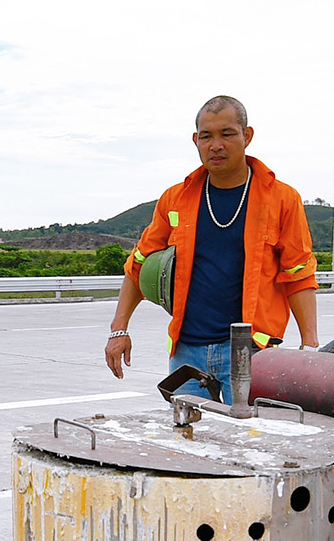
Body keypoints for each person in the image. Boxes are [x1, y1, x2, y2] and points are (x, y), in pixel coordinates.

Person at [104, 97, 320, 400]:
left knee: (249, 429)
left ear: (247, 136)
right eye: (206, 136)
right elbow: (138, 264)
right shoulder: (176, 199)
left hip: (250, 351)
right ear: (196, 140)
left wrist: (310, 345)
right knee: (186, 430)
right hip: (186, 353)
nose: (216, 145)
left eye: (227, 134)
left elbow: (298, 273)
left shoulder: (281, 199)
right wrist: (119, 330)